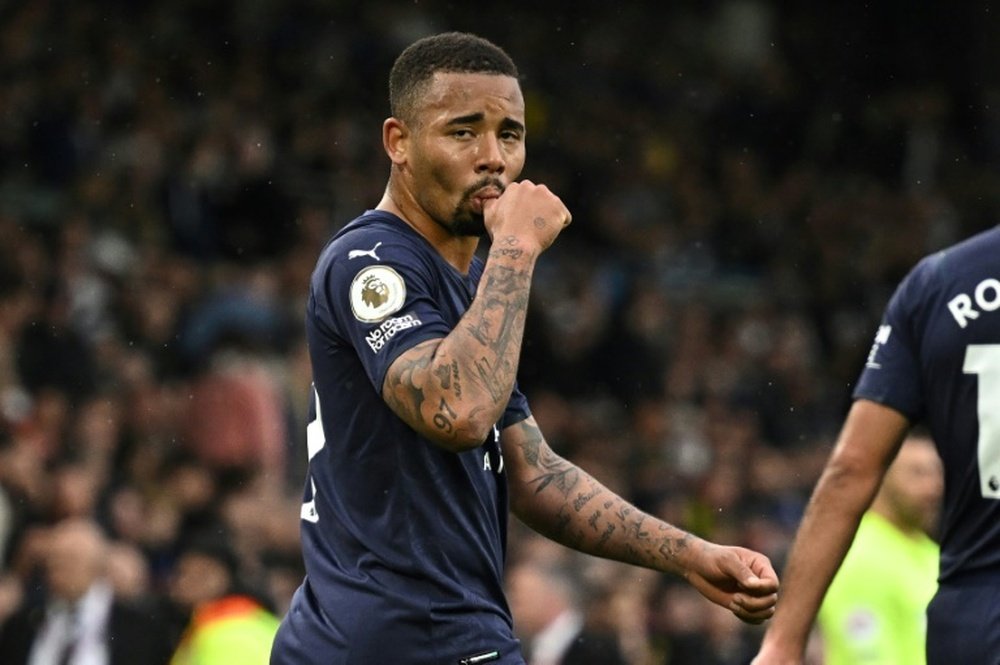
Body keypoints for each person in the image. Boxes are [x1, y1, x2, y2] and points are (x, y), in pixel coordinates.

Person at [270, 31, 778, 665]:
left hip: (384, 639)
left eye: (509, 134)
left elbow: (534, 473)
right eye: (463, 132)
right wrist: (515, 246)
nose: (493, 158)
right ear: (398, 142)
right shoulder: (370, 260)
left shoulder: (469, 286)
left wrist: (690, 554)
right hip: (415, 638)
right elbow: (455, 413)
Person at [752, 224, 1000, 665]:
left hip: (976, 616)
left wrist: (782, 643)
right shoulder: (871, 556)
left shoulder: (938, 283)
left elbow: (852, 467)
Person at [816, 433, 942, 665]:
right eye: (917, 473)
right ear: (881, 477)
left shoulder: (933, 552)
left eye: (936, 473)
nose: (933, 487)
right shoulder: (856, 554)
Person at [0, 517, 173, 665]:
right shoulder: (21, 627)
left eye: (70, 560)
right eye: (53, 560)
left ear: (97, 566)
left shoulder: (140, 630)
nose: (57, 569)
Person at [168, 532, 280, 665]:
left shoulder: (227, 632)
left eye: (203, 574)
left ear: (226, 577)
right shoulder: (254, 617)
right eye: (183, 573)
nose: (189, 582)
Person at [506, 555, 627, 665]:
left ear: (549, 596)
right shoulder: (525, 650)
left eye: (518, 599)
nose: (512, 608)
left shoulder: (598, 647)